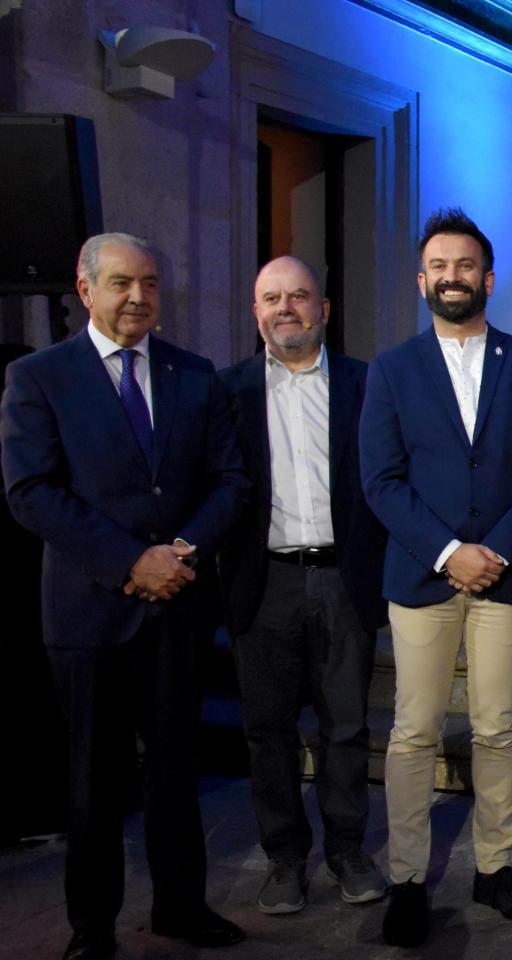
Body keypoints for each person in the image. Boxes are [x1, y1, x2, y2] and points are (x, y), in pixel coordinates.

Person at [1, 233, 250, 960]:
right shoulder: (38, 376)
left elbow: (230, 482)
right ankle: (92, 926)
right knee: (92, 782)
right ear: (85, 290)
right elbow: (30, 492)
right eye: (119, 283)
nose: (136, 297)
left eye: (148, 284)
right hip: (88, 612)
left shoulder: (194, 375)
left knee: (176, 770)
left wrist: (177, 554)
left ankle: (181, 908)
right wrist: (128, 561)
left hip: (176, 604)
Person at [359, 208, 512, 947]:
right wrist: (450, 552)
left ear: (488, 276)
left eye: (466, 265)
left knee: (498, 724)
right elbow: (380, 480)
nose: (454, 277)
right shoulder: (391, 370)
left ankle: (495, 867)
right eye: (440, 266)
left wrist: (498, 550)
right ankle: (408, 879)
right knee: (413, 732)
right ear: (423, 281)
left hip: (505, 577)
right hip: (421, 574)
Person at [217, 256, 389, 915]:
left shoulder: (364, 384)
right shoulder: (226, 391)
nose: (285, 307)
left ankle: (347, 850)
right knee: (269, 730)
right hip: (265, 582)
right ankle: (284, 860)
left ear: (324, 308)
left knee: (345, 726)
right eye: (271, 298)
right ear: (255, 312)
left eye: (299, 296)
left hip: (344, 577)